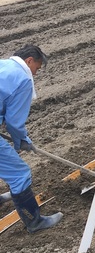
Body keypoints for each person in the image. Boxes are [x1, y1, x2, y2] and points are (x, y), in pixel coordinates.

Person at [0, 45, 63, 233]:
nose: (35, 74)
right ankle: (35, 222)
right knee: (19, 174)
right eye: (37, 68)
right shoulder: (23, 79)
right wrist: (22, 141)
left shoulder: (2, 65)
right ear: (29, 61)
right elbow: (14, 122)